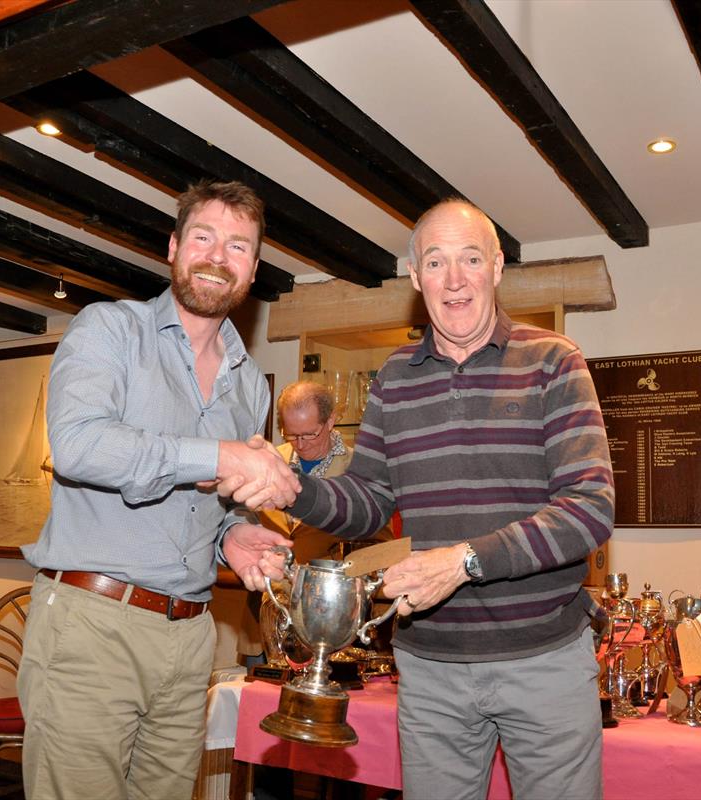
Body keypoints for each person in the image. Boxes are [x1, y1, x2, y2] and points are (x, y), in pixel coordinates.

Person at [222, 199, 615, 800]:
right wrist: (294, 487)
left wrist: (463, 561)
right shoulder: (395, 379)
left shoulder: (554, 361)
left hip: (544, 661)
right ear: (415, 277)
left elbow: (589, 507)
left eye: (470, 259)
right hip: (429, 669)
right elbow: (368, 501)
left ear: (497, 269)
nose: (454, 279)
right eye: (436, 262)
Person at [17, 180, 299, 800]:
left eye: (238, 246)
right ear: (173, 247)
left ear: (252, 269)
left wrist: (236, 538)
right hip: (94, 625)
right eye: (203, 237)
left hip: (192, 637)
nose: (217, 256)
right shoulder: (110, 329)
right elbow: (80, 446)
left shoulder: (251, 386)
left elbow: (215, 501)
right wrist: (218, 455)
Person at [237, 380, 393, 661]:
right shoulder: (268, 462)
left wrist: (341, 566)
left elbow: (387, 549)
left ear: (331, 420)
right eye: (290, 434)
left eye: (309, 434)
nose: (299, 444)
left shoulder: (361, 470)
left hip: (331, 624)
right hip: (265, 617)